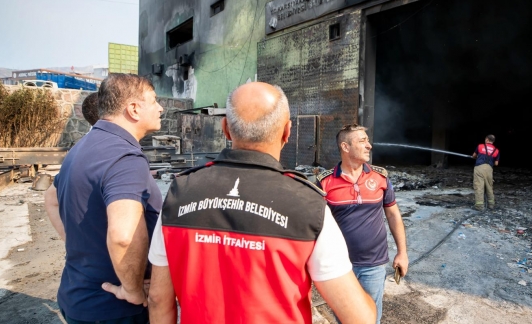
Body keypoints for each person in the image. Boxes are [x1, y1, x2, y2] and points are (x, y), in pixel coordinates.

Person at [147, 82, 376, 324]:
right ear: (287, 133)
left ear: (225, 128)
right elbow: (360, 317)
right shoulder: (307, 205)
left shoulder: (180, 193)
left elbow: (158, 300)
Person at [44, 74, 164, 323]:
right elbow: (123, 237)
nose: (161, 108)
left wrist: (80, 242)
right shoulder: (124, 157)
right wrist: (131, 290)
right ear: (133, 109)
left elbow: (51, 198)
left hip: (77, 294)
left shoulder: (82, 147)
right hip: (114, 309)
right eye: (154, 101)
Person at [316, 124, 409, 324]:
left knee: (370, 318)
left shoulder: (380, 177)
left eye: (367, 140)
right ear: (345, 147)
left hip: (373, 265)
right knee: (344, 318)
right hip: (339, 267)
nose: (369, 146)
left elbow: (393, 215)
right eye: (362, 141)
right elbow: (316, 225)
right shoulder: (324, 183)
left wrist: (402, 252)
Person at [471, 134, 500, 211]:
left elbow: (474, 156)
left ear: (487, 139)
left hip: (479, 167)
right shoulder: (496, 150)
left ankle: (480, 206)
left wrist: (478, 157)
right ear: (493, 141)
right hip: (489, 169)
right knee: (489, 186)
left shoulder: (480, 146)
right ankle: (491, 205)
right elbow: (496, 164)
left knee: (479, 186)